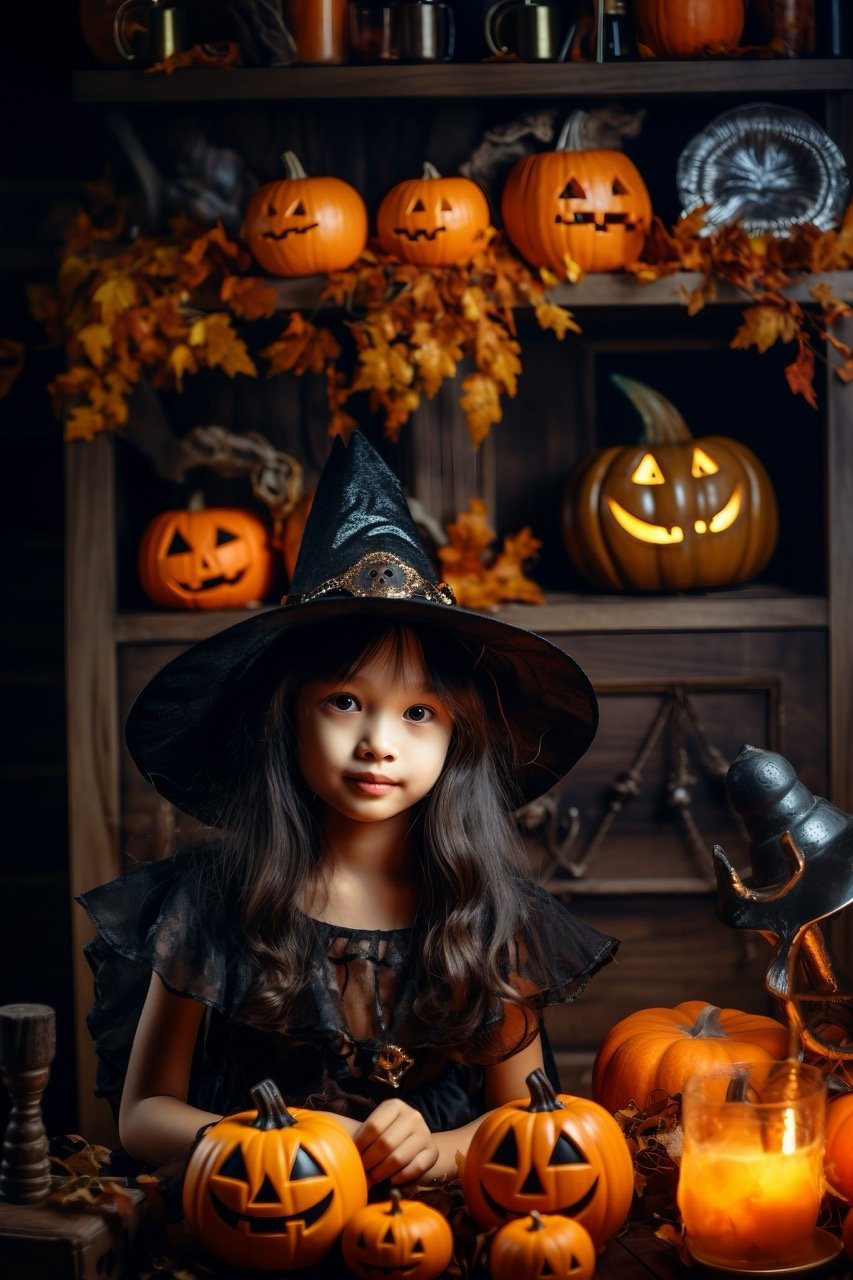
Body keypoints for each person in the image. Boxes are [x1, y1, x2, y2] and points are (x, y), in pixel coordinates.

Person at [78, 431, 618, 1188]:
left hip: (428, 1234)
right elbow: (142, 1115)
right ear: (289, 717)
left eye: (417, 714)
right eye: (344, 702)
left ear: (456, 736)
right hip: (256, 1216)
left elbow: (526, 1122)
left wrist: (436, 1149)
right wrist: (283, 1137)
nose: (378, 743)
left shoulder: (497, 915)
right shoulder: (208, 902)